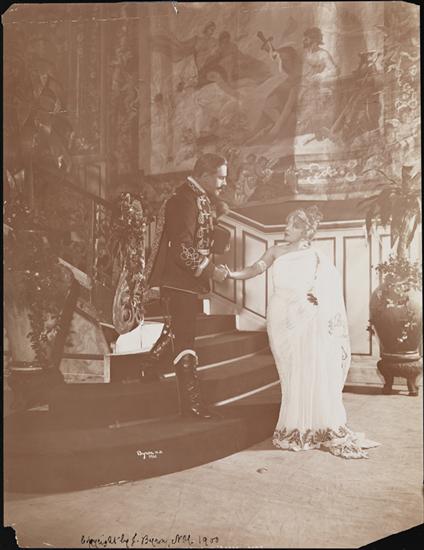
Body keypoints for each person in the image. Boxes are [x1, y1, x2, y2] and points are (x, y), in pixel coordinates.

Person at [224, 205, 380, 459]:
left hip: (307, 317)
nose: (287, 228)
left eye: (294, 225)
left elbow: (328, 288)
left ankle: (309, 425)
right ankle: (294, 424)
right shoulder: (275, 251)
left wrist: (316, 297)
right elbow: (254, 269)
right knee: (290, 371)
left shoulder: (316, 256)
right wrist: (230, 274)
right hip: (281, 317)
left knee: (309, 367)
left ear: (306, 231)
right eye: (287, 223)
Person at [145, 153, 229, 419]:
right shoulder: (183, 200)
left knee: (177, 331)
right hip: (178, 281)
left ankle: (146, 368)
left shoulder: (198, 197)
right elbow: (181, 249)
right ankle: (191, 406)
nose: (224, 182)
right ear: (204, 174)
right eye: (220, 177)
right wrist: (212, 270)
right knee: (185, 339)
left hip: (187, 281)